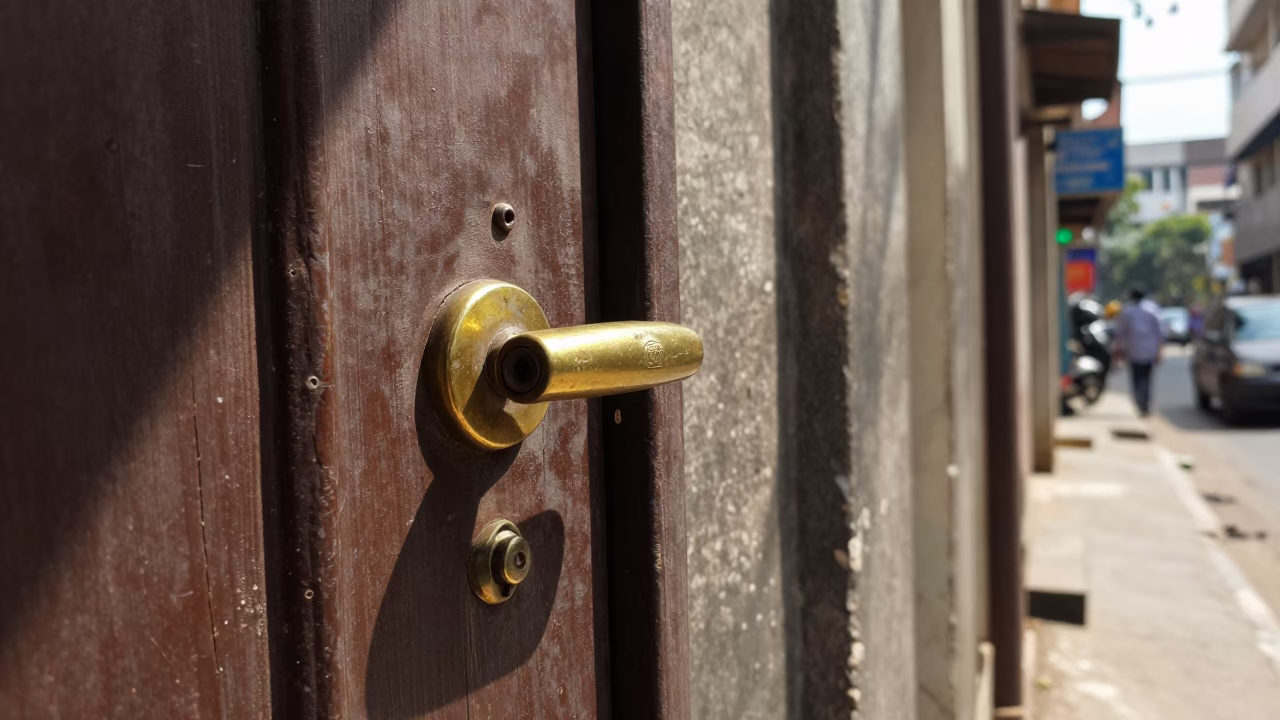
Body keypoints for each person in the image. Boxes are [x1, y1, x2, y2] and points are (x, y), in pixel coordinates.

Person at [1112, 288, 1164, 416]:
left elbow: (1120, 333)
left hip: (1134, 350)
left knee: (1137, 378)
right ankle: (1144, 403)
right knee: (1146, 378)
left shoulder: (1127, 312)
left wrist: (1118, 350)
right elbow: (1160, 333)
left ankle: (1141, 403)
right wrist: (1159, 351)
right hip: (1148, 350)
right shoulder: (1152, 310)